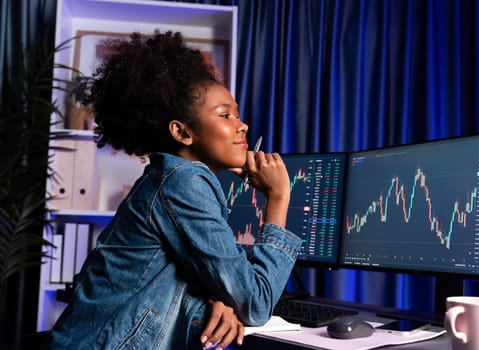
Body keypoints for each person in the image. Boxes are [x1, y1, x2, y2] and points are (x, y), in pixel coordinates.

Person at [49, 31, 302, 349]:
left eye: (237, 114)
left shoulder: (170, 178)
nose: (242, 125)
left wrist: (220, 296)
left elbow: (217, 274)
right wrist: (278, 198)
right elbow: (255, 303)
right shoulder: (183, 182)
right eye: (225, 115)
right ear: (182, 132)